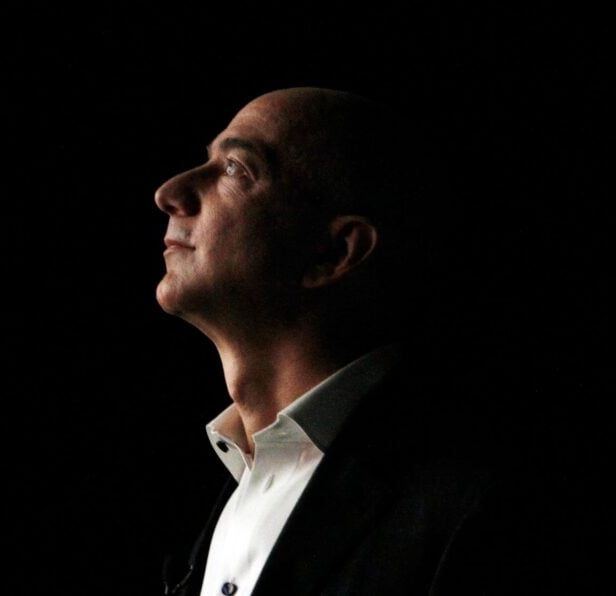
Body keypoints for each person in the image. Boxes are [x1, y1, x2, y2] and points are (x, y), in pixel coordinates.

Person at [154, 88, 560, 595]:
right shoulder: (222, 504)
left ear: (335, 251)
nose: (169, 192)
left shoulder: (481, 501)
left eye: (236, 168)